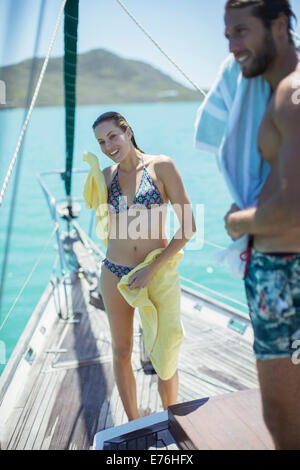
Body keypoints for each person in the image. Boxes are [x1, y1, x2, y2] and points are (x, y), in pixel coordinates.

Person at [223, 0, 300, 450]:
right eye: (228, 36)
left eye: (241, 32)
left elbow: (294, 209)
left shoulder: (291, 95)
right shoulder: (273, 94)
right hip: (277, 269)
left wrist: (235, 223)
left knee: (283, 414)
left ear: (279, 25)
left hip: (286, 272)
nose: (233, 47)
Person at [90, 111, 196, 421]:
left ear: (128, 132)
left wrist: (152, 269)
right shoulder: (105, 177)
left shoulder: (161, 166)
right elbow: (106, 222)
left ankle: (171, 421)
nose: (108, 145)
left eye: (113, 136)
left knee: (164, 354)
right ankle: (134, 426)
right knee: (121, 353)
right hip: (115, 274)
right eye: (101, 141)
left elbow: (188, 227)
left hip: (156, 273)